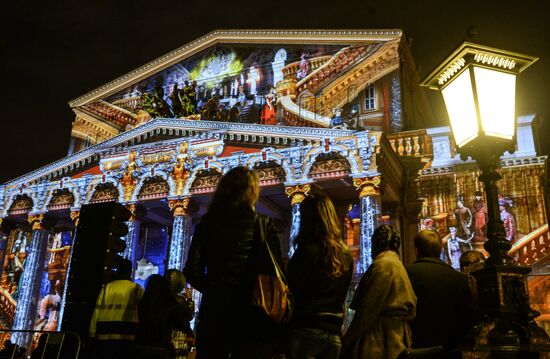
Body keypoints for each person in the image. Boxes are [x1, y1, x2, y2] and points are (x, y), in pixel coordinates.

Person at [184, 166, 282, 359]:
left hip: (215, 311)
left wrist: (214, 288)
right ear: (252, 192)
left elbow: (191, 270)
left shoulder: (206, 224)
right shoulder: (262, 224)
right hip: (251, 311)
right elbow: (275, 270)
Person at [287, 193, 354, 359]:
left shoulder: (306, 252)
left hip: (306, 329)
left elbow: (293, 290)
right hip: (334, 334)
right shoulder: (346, 255)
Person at [341, 225, 416, 359]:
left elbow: (366, 311)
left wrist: (346, 342)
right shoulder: (396, 264)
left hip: (381, 340)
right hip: (395, 336)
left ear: (376, 244)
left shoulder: (382, 265)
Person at [406, 230, 473, 355]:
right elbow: (467, 319)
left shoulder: (406, 273)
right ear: (441, 250)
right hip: (450, 351)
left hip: (416, 350)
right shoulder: (460, 279)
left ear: (416, 251)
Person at [89, 259, 144, 359]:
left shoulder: (107, 288)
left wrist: (92, 333)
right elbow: (143, 313)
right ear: (130, 272)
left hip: (104, 336)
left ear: (117, 271)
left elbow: (96, 311)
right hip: (128, 336)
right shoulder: (137, 289)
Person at [136, 274, 193, 359]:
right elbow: (186, 317)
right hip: (163, 346)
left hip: (143, 346)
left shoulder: (142, 302)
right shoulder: (170, 303)